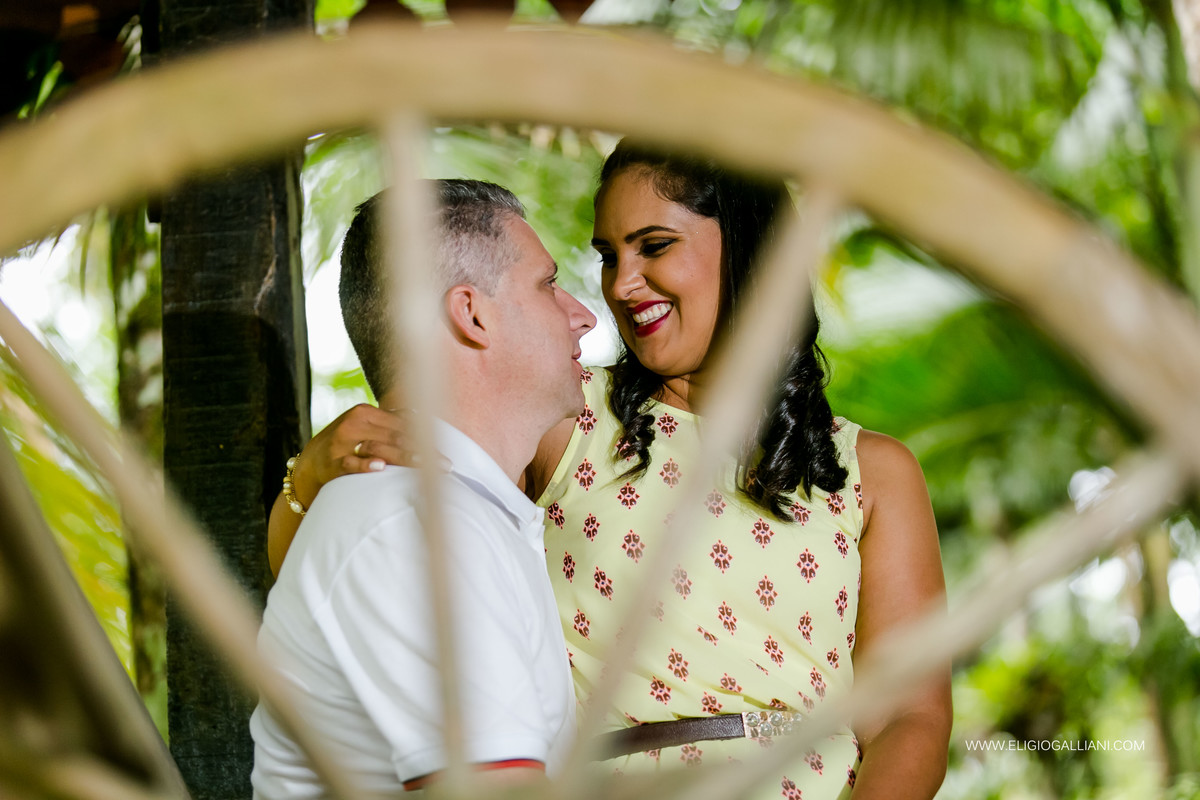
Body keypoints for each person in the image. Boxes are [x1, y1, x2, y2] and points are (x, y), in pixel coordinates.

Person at [269, 143, 952, 799]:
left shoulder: (870, 473)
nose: (620, 286)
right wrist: (307, 483)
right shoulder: (563, 418)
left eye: (654, 246)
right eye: (607, 256)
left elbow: (908, 717)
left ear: (746, 246)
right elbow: (367, 565)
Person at [250, 179, 596, 798]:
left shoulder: (462, 517)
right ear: (471, 313)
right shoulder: (411, 524)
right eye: (548, 285)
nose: (583, 315)